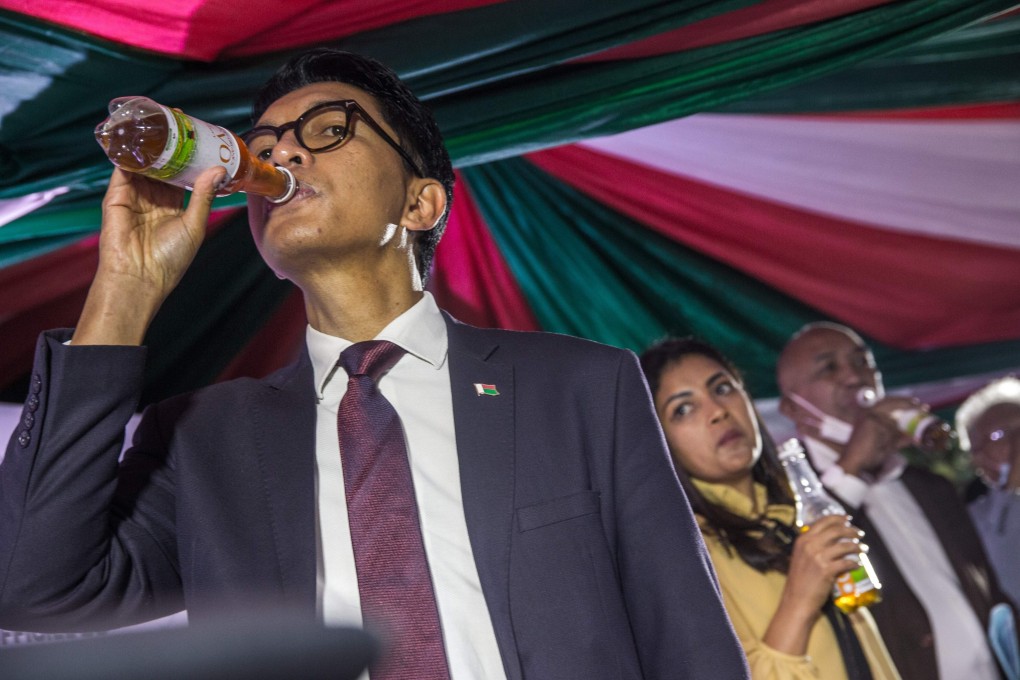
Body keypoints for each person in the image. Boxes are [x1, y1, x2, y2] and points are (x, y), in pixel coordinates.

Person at [0, 48, 750, 679]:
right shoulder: (205, 440)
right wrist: (123, 294)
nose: (282, 155)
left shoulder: (583, 387)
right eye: (262, 147)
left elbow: (689, 644)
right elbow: (35, 587)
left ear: (422, 203)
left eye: (330, 130)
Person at [640, 337, 901, 680]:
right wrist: (800, 599)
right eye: (683, 409)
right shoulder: (686, 556)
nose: (718, 411)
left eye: (722, 388)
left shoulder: (793, 511)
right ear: (660, 440)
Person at [776, 321, 1014, 680]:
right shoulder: (785, 501)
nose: (854, 377)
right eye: (829, 367)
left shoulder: (931, 487)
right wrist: (851, 470)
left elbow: (989, 592)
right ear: (793, 410)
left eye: (862, 362)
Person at [955, 376, 1020, 607]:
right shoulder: (971, 521)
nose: (1018, 439)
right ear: (978, 457)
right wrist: (1010, 490)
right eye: (1001, 435)